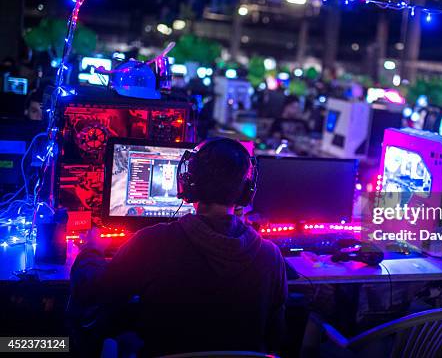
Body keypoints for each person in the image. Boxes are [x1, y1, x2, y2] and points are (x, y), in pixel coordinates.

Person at [70, 138, 287, 356]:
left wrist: (92, 249)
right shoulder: (271, 255)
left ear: (187, 182)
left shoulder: (151, 242)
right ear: (246, 191)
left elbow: (97, 290)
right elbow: (274, 335)